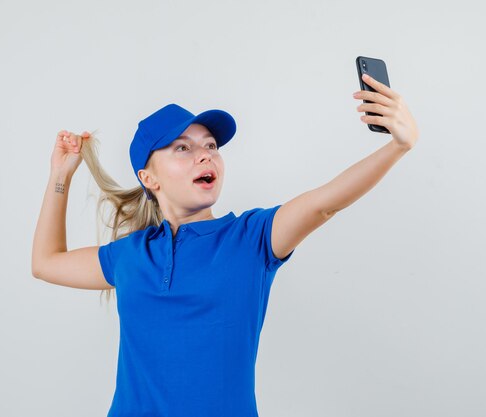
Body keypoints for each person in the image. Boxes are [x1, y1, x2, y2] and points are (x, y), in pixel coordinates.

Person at [31, 73, 419, 416]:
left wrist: (397, 146)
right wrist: (60, 176)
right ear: (149, 177)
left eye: (211, 146)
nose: (205, 154)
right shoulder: (130, 255)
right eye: (182, 147)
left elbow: (324, 203)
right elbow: (46, 262)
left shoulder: (252, 238)